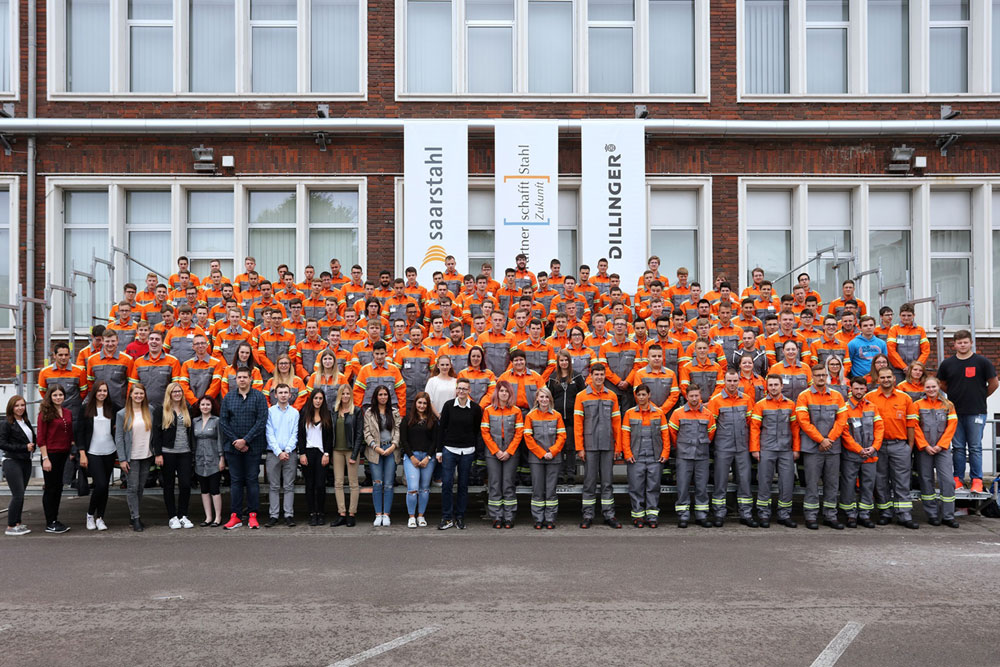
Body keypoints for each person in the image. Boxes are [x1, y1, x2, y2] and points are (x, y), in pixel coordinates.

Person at [936, 330, 998, 494]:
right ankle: (957, 479)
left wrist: (981, 396)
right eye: (959, 342)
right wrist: (954, 394)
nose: (962, 345)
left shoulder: (982, 362)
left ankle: (976, 480)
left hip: (977, 412)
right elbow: (941, 384)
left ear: (971, 343)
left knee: (975, 447)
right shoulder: (947, 364)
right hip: (955, 412)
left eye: (965, 342)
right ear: (954, 345)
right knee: (957, 447)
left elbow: (994, 383)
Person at [795, 365, 848, 530]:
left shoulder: (837, 396)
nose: (821, 378)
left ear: (827, 376)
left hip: (833, 447)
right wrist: (821, 440)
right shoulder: (804, 396)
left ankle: (830, 516)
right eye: (817, 375)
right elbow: (804, 422)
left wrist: (829, 439)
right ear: (812, 376)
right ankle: (811, 516)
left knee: (832, 483)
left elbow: (842, 421)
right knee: (811, 483)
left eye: (823, 375)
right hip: (813, 449)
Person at [867, 366, 919, 529]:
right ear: (877, 380)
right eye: (882, 378)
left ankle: (904, 514)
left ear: (894, 379)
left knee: (902, 481)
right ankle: (885, 513)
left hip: (899, 445)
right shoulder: (870, 397)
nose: (886, 380)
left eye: (888, 377)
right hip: (878, 446)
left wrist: (909, 446)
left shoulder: (905, 398)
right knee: (880, 480)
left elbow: (911, 424)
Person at [220, 367, 270, 530]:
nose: (242, 380)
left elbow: (261, 421)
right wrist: (236, 441)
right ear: (236, 380)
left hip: (253, 447)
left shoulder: (259, 397)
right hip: (233, 447)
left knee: (252, 481)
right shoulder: (228, 397)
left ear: (251, 379)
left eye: (244, 377)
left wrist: (246, 440)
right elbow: (223, 422)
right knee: (235, 481)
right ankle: (235, 516)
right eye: (239, 377)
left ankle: (253, 516)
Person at [574, 363, 623, 529]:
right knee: (589, 482)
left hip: (608, 444)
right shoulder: (581, 396)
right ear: (591, 375)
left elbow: (617, 423)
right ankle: (587, 515)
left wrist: (618, 447)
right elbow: (578, 424)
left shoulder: (612, 396)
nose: (599, 377)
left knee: (607, 482)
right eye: (596, 374)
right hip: (589, 446)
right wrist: (580, 447)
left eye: (602, 375)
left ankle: (609, 514)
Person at [750, 374, 800, 528]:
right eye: (770, 385)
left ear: (781, 386)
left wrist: (796, 449)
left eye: (775, 385)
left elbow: (795, 429)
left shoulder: (790, 405)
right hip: (767, 449)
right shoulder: (760, 405)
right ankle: (763, 514)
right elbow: (754, 428)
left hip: (786, 450)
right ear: (767, 387)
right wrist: (755, 449)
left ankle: (784, 515)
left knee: (787, 483)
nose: (773, 388)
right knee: (764, 482)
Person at [707, 370, 757, 527]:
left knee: (744, 481)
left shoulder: (747, 400)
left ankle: (746, 513)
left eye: (735, 381)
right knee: (720, 482)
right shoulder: (715, 401)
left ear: (739, 382)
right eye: (729, 380)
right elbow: (711, 427)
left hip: (742, 447)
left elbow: (751, 423)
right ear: (724, 381)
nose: (732, 384)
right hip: (723, 447)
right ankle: (719, 514)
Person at [913, 376, 960, 528]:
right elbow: (914, 426)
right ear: (923, 389)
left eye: (933, 387)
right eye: (928, 387)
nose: (931, 390)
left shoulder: (948, 405)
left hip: (942, 449)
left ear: (938, 386)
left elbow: (951, 426)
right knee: (926, 482)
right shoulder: (917, 405)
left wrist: (941, 445)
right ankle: (932, 515)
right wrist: (924, 445)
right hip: (924, 449)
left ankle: (948, 515)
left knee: (948, 481)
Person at [436, 378, 482, 530]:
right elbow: (441, 429)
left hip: (467, 451)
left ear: (469, 391)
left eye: (465, 389)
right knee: (447, 484)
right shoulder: (449, 406)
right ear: (456, 390)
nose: (461, 391)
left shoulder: (475, 408)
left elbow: (477, 430)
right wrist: (438, 450)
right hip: (449, 449)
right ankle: (447, 517)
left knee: (463, 485)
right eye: (459, 388)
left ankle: (460, 517)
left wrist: (474, 449)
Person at [621, 384, 669, 528]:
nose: (641, 397)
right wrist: (627, 454)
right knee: (636, 487)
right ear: (636, 396)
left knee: (653, 487)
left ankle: (652, 516)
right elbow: (625, 436)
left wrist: (665, 453)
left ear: (649, 395)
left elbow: (665, 435)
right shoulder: (629, 413)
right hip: (636, 457)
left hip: (655, 456)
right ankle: (638, 516)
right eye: (639, 395)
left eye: (643, 394)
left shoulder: (659, 413)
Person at [669, 385, 716, 528]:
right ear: (686, 397)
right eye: (692, 396)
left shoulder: (708, 414)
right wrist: (682, 447)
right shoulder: (678, 413)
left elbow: (711, 433)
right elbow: (672, 433)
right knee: (682, 487)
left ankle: (701, 515)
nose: (694, 399)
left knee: (701, 487)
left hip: (702, 455)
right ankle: (683, 516)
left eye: (697, 396)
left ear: (700, 396)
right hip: (684, 456)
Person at [839, 376, 884, 529]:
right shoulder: (844, 408)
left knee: (868, 485)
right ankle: (850, 515)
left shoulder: (872, 407)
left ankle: (864, 515)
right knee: (848, 485)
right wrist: (858, 449)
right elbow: (844, 433)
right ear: (850, 389)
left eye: (861, 389)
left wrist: (874, 447)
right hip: (851, 455)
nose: (858, 391)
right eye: (855, 388)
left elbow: (879, 428)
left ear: (866, 389)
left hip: (870, 454)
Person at [75, 381, 119, 530]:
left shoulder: (112, 408)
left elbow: (126, 416)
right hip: (93, 452)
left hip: (110, 452)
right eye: (99, 390)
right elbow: (79, 432)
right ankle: (89, 514)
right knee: (99, 484)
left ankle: (100, 517)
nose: (102, 393)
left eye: (105, 391)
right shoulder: (85, 409)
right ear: (94, 392)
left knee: (104, 486)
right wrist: (82, 453)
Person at [481, 380, 525, 529]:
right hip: (493, 453)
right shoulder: (488, 410)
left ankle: (509, 516)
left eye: (506, 391)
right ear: (497, 393)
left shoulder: (516, 411)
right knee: (494, 484)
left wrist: (509, 451)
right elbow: (485, 433)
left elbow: (519, 433)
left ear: (510, 394)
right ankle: (496, 517)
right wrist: (496, 451)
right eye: (501, 391)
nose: (504, 393)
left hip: (510, 454)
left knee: (508, 484)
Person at [115, 383, 157, 532]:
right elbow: (119, 437)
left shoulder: (150, 410)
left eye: (141, 394)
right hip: (131, 457)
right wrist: (122, 459)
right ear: (131, 395)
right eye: (136, 394)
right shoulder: (122, 414)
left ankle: (134, 516)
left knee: (140, 487)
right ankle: (136, 517)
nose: (138, 396)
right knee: (132, 488)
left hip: (146, 455)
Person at [523, 387, 566, 529]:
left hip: (554, 458)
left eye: (546, 397)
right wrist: (542, 453)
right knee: (537, 489)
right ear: (537, 399)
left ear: (550, 399)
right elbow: (528, 438)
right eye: (541, 397)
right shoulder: (530, 416)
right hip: (536, 458)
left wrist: (552, 452)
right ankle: (538, 519)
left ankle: (550, 519)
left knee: (551, 489)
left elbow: (562, 437)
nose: (544, 400)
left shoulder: (557, 416)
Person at [155, 383, 195, 529]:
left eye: (179, 391)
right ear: (169, 394)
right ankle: (172, 516)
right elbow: (157, 434)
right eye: (174, 392)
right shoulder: (161, 410)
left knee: (185, 484)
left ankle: (183, 515)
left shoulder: (187, 408)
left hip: (185, 452)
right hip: (168, 453)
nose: (177, 394)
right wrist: (158, 453)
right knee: (169, 485)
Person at [37, 385, 74, 534]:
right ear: (50, 397)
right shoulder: (44, 413)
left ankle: (55, 519)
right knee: (50, 489)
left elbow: (69, 434)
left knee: (58, 488)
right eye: (55, 395)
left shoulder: (67, 412)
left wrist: (72, 450)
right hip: (50, 455)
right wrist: (45, 458)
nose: (58, 397)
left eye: (60, 395)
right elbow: (41, 438)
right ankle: (49, 522)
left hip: (64, 455)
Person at [363, 385, 401, 526]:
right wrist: (375, 447)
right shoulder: (369, 413)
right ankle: (378, 514)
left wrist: (393, 445)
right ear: (376, 397)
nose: (383, 397)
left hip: (391, 449)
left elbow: (398, 430)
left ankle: (387, 514)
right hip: (375, 450)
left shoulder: (394, 412)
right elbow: (366, 432)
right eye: (380, 394)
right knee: (377, 483)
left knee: (389, 484)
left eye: (385, 394)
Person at [548, 349, 586, 484]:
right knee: (558, 446)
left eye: (566, 360)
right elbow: (549, 397)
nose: (564, 363)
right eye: (561, 360)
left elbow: (583, 396)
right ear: (558, 362)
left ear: (570, 362)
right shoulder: (552, 378)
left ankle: (570, 473)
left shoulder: (577, 377)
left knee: (570, 446)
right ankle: (559, 473)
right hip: (557, 418)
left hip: (572, 418)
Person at [401, 392, 439, 528]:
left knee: (424, 489)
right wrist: (411, 456)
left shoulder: (432, 421)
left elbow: (435, 441)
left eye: (424, 403)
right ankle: (411, 516)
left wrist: (428, 457)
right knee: (413, 488)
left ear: (428, 405)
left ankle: (421, 516)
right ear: (415, 403)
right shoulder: (407, 419)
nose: (422, 405)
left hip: (428, 458)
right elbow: (403, 440)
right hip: (411, 457)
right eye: (419, 403)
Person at [265, 383, 300, 527]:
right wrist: (278, 451)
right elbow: (269, 433)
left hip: (290, 453)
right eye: (280, 392)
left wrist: (287, 450)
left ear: (290, 395)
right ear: (275, 395)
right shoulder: (270, 412)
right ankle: (273, 515)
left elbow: (295, 433)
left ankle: (288, 515)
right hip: (274, 453)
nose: (283, 395)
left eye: (286, 392)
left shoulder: (295, 413)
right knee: (273, 486)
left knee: (288, 486)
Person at [297, 388, 333, 527]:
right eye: (316, 398)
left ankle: (321, 513)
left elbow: (330, 437)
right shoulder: (304, 414)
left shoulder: (327, 415)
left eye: (320, 398)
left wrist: (327, 453)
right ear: (311, 399)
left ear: (323, 400)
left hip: (321, 454)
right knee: (310, 485)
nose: (318, 401)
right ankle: (312, 513)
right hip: (308, 453)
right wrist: (302, 453)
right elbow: (300, 435)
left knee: (320, 484)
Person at [1, 396, 35, 536]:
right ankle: (10, 526)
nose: (20, 408)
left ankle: (17, 523)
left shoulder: (25, 421)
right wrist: (24, 447)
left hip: (25, 461)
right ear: (11, 407)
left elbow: (31, 438)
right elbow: (2, 443)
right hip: (12, 461)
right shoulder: (6, 423)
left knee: (21, 494)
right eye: (17, 406)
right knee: (18, 495)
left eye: (22, 405)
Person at [332, 384, 363, 527]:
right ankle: (341, 513)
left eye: (348, 394)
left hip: (351, 451)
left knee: (353, 483)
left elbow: (359, 434)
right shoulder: (334, 411)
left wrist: (355, 453)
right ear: (339, 395)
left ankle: (352, 513)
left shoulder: (356, 411)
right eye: (343, 394)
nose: (345, 396)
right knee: (338, 483)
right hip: (337, 450)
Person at [193, 395, 225, 527]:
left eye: (208, 404)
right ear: (199, 406)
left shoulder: (217, 421)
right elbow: (193, 441)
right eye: (203, 404)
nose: (205, 407)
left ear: (212, 406)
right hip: (200, 459)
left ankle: (218, 517)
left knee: (214, 489)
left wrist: (221, 458)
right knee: (204, 489)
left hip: (214, 459)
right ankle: (208, 517)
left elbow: (220, 440)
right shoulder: (195, 421)